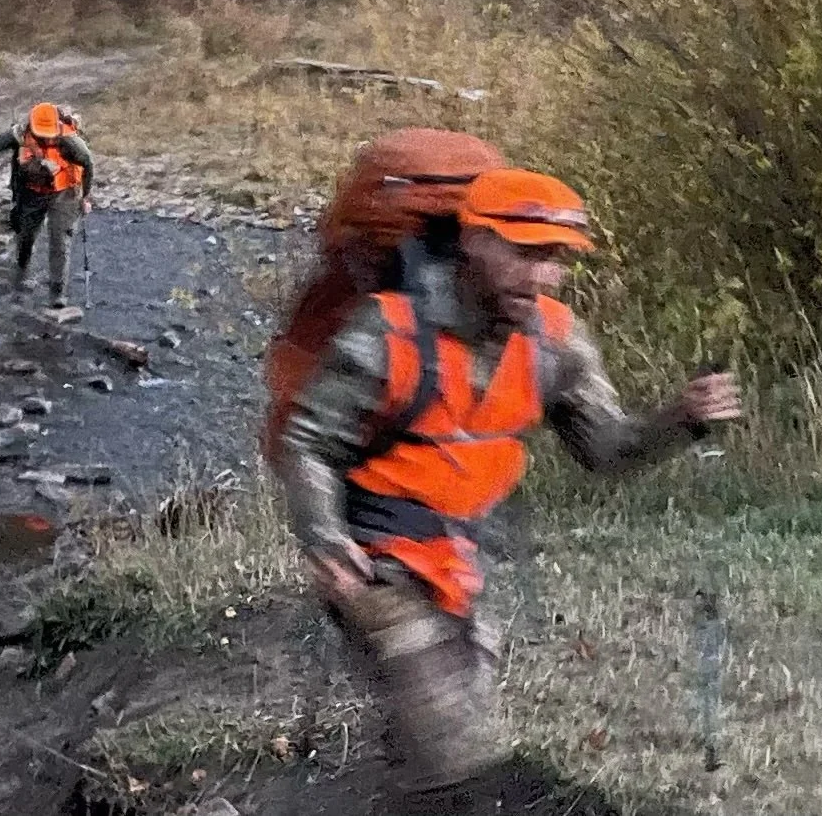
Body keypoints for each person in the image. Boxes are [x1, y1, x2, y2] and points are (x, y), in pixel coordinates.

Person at [267, 165, 743, 811]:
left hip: (462, 563)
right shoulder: (388, 332)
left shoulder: (557, 343)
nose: (541, 275)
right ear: (472, 242)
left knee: (431, 747)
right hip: (375, 559)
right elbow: (309, 442)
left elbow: (606, 450)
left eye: (553, 258)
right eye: (522, 253)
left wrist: (680, 418)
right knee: (457, 742)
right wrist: (324, 541)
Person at [0, 102, 95, 307]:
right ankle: (21, 272)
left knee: (60, 241)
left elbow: (88, 162)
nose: (45, 138)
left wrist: (86, 197)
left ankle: (57, 294)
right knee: (25, 236)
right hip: (31, 192)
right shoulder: (18, 135)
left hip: (66, 192)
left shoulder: (70, 140)